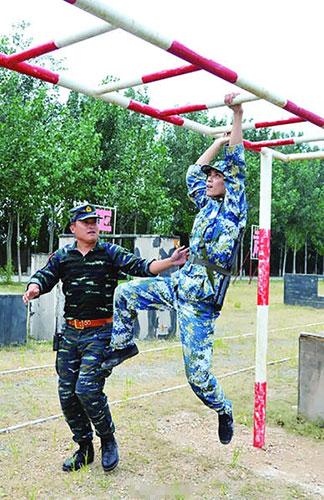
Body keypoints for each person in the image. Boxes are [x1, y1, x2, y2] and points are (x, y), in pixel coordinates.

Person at [102, 93, 247, 446]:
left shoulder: (233, 206)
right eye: (211, 176)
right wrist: (216, 142)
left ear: (228, 183)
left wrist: (237, 116)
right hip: (179, 284)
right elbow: (192, 172)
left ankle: (223, 408)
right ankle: (121, 345)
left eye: (216, 176)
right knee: (124, 294)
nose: (210, 179)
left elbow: (237, 163)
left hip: (200, 304)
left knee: (197, 377)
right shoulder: (205, 202)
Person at [23, 204, 188, 472]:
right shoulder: (63, 256)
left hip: (99, 334)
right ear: (73, 228)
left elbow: (141, 266)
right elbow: (45, 276)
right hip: (70, 335)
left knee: (87, 389)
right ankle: (84, 448)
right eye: (85, 222)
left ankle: (108, 439)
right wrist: (33, 287)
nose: (92, 226)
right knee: (67, 395)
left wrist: (170, 262)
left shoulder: (110, 252)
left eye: (94, 222)